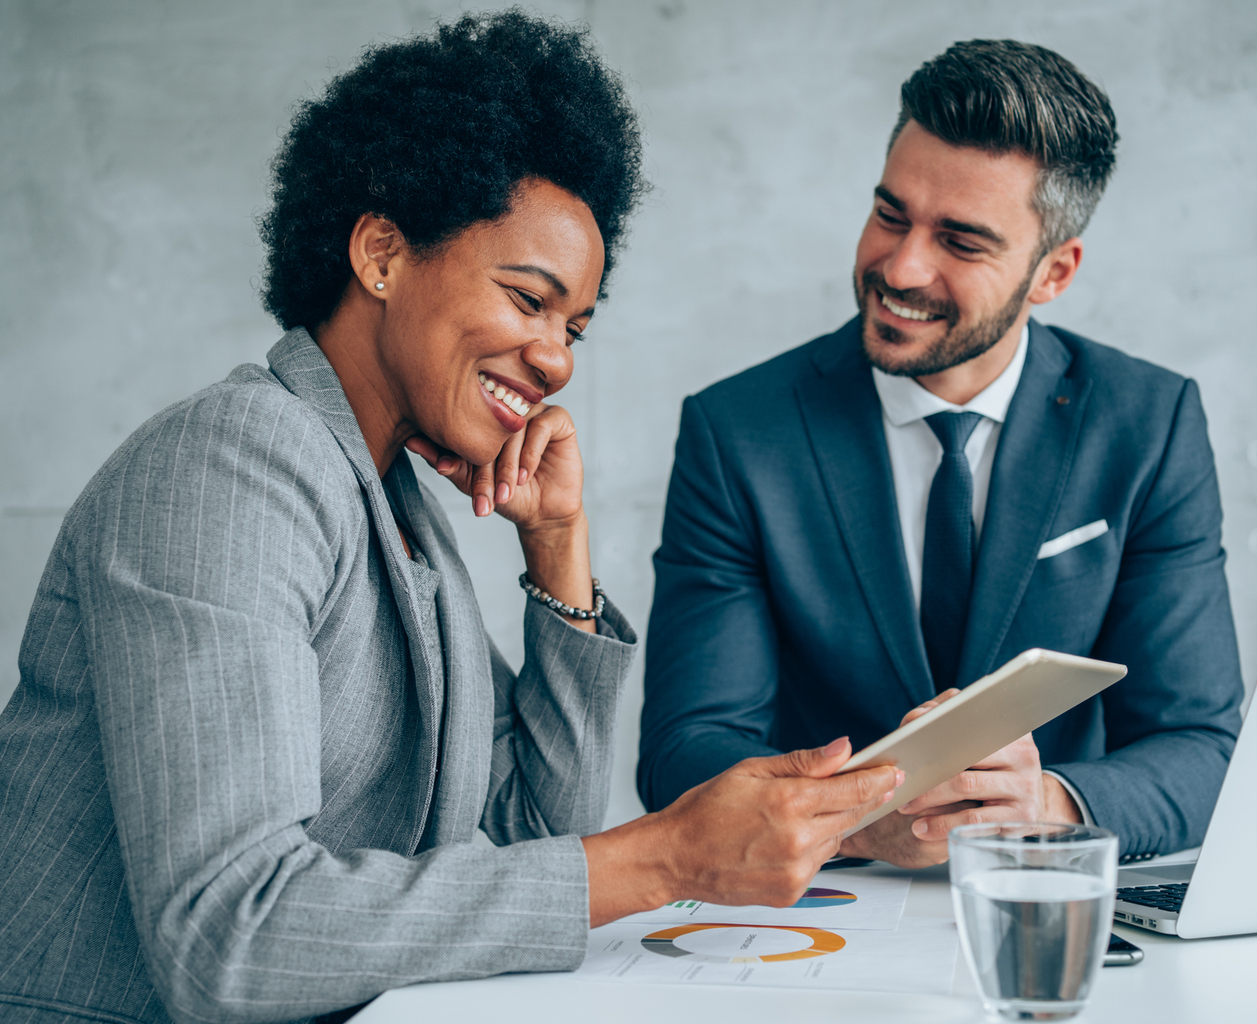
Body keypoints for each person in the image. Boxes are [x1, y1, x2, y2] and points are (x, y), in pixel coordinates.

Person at [0, 14, 898, 1024]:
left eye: (574, 327)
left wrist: (556, 550)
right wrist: (672, 852)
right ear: (383, 254)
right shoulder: (231, 466)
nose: (557, 359)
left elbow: (530, 834)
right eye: (529, 299)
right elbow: (231, 933)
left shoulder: (395, 507)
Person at [640, 39, 1244, 868]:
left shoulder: (1150, 423)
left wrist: (1048, 804)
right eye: (891, 214)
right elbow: (686, 749)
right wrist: (858, 819)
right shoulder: (738, 432)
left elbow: (1202, 746)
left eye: (961, 242)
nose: (901, 265)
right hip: (815, 922)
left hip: (1043, 902)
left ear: (1052, 273)